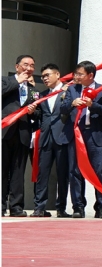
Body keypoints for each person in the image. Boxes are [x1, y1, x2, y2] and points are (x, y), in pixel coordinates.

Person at [60, 60, 102, 219]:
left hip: (95, 135)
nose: (76, 76)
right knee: (75, 171)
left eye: (80, 74)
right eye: (76, 73)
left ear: (90, 75)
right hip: (76, 135)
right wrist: (72, 104)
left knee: (99, 171)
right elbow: (62, 109)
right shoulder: (72, 89)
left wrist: (92, 105)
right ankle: (78, 207)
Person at [33, 63, 72, 218]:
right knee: (43, 174)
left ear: (57, 74)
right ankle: (39, 207)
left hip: (62, 136)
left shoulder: (69, 91)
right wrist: (32, 112)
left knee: (63, 174)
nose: (44, 78)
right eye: (43, 76)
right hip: (45, 137)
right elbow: (40, 115)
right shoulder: (42, 95)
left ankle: (61, 208)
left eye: (47, 75)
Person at [2, 54, 38, 217]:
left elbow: (38, 113)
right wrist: (16, 81)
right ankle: (1, 205)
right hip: (5, 132)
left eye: (32, 65)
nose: (29, 68)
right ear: (17, 67)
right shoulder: (5, 81)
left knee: (18, 172)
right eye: (25, 65)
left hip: (23, 133)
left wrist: (32, 112)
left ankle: (16, 206)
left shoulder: (33, 90)